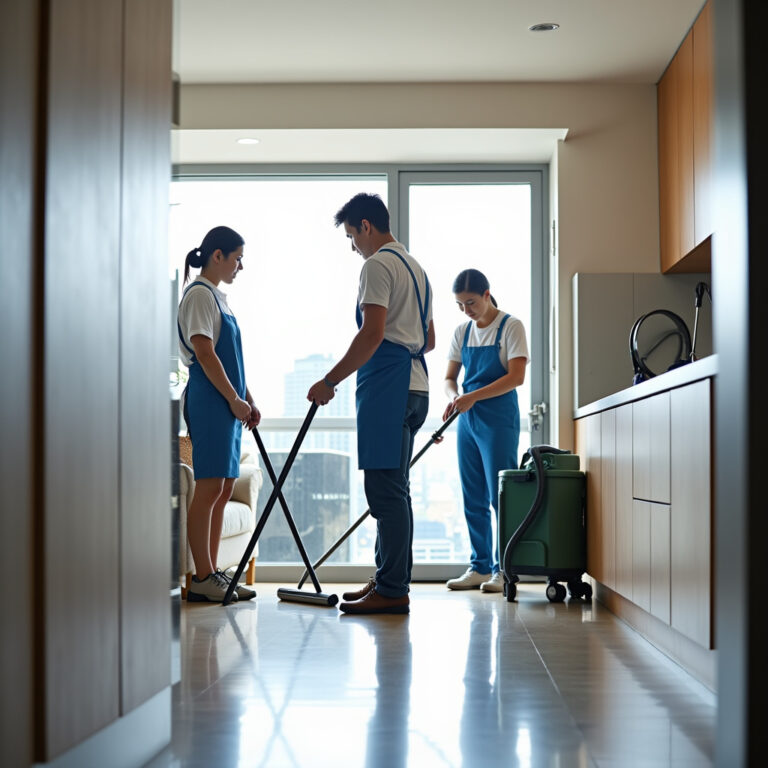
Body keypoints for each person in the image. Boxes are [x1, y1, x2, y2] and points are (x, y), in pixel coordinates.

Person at [307, 193, 434, 615]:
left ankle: (393, 589)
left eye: (351, 236)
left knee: (385, 490)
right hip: (417, 387)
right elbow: (429, 340)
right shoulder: (417, 269)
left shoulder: (377, 264)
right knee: (396, 489)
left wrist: (330, 380)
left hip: (389, 386)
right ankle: (387, 579)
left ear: (365, 226)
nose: (353, 247)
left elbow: (372, 334)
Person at [177, 225, 261, 603]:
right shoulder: (198, 295)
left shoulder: (219, 298)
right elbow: (206, 354)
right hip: (210, 401)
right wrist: (233, 399)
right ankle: (203, 577)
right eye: (237, 258)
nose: (240, 267)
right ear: (217, 256)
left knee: (225, 487)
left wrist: (248, 398)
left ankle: (214, 576)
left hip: (226, 402)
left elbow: (233, 361)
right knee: (210, 486)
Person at [442, 269, 529, 593]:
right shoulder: (461, 333)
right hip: (467, 419)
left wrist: (471, 396)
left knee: (499, 496)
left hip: (498, 417)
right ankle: (479, 566)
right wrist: (455, 400)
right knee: (472, 495)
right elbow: (449, 378)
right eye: (460, 305)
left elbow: (516, 377)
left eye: (471, 302)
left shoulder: (511, 327)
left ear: (487, 294)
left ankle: (503, 569)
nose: (467, 310)